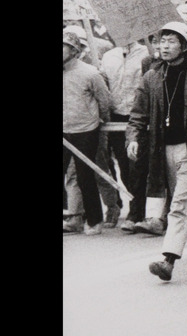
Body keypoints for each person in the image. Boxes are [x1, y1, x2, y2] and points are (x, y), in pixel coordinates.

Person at [127, 22, 187, 282]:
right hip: (162, 151)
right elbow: (137, 115)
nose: (165, 46)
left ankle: (168, 260)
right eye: (162, 41)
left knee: (179, 204)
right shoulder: (151, 77)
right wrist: (133, 139)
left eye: (171, 41)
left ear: (185, 46)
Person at [63, 29, 112, 235]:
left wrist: (100, 122)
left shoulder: (90, 73)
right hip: (63, 131)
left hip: (85, 131)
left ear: (74, 51)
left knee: (85, 177)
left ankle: (95, 220)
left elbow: (104, 101)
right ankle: (73, 216)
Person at [99, 40, 150, 232]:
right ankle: (135, 204)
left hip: (138, 114)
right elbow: (104, 85)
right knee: (123, 164)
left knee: (138, 165)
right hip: (116, 115)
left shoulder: (145, 53)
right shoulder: (108, 56)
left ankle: (138, 211)